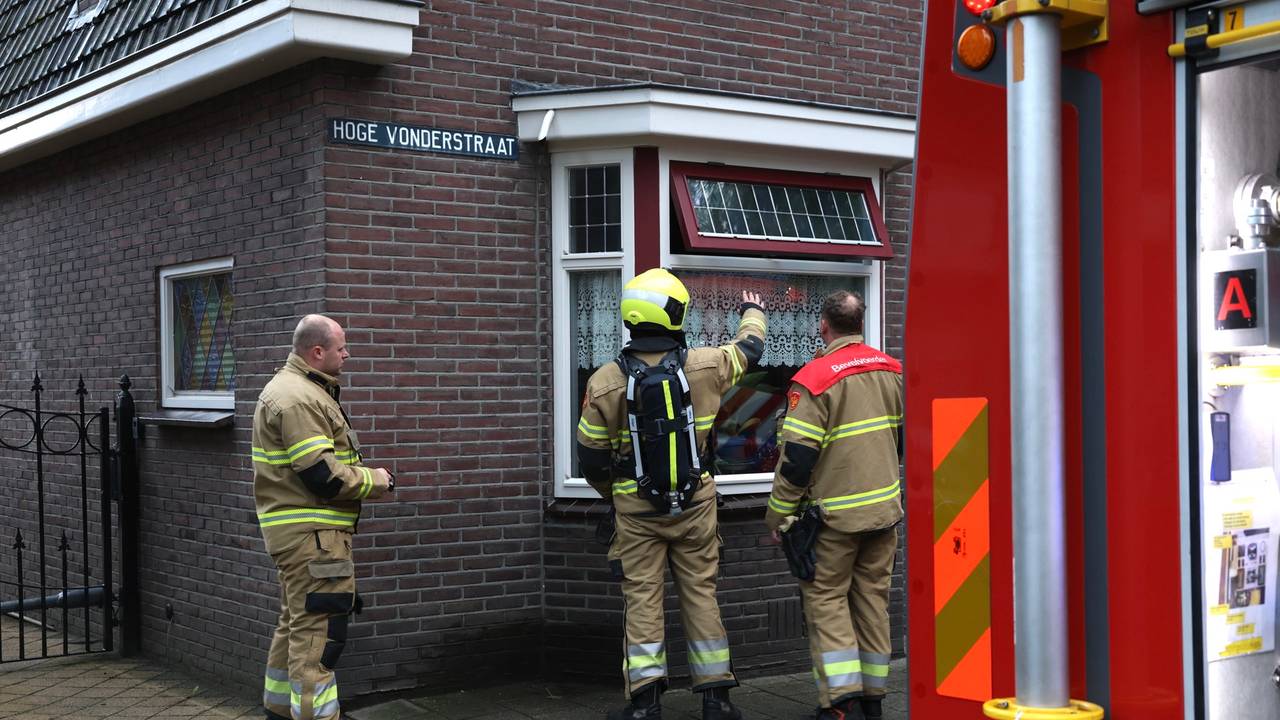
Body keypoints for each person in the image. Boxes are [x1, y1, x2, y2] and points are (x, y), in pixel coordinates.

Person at [577, 268, 767, 720]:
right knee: (701, 595)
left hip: (636, 513)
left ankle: (645, 704)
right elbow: (750, 349)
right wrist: (753, 310)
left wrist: (620, 493)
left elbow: (591, 462)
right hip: (696, 507)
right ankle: (717, 700)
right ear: (674, 314)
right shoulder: (706, 365)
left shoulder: (604, 382)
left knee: (642, 600)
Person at [764, 290, 903, 720]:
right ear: (859, 323)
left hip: (835, 520)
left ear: (824, 324)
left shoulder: (814, 379)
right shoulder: (892, 370)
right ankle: (873, 702)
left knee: (826, 601)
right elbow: (901, 438)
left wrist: (779, 514)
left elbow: (797, 460)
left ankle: (840, 706)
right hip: (884, 513)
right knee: (872, 603)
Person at [252, 314, 395, 720]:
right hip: (314, 539)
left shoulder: (297, 390)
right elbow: (323, 476)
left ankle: (279, 712)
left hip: (300, 536)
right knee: (319, 641)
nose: (347, 354)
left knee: (295, 628)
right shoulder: (300, 398)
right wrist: (378, 480)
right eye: (341, 348)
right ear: (318, 352)